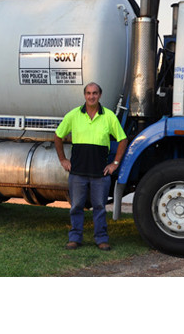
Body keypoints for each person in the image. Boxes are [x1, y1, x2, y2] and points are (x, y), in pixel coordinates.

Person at [54, 82, 127, 251]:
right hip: (77, 172)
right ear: (84, 95)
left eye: (95, 93)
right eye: (88, 93)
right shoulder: (73, 115)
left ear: (100, 95)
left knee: (100, 208)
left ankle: (101, 239)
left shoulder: (108, 116)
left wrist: (115, 163)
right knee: (76, 206)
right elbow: (58, 136)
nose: (91, 96)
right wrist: (63, 159)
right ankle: (75, 238)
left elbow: (123, 139)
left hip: (100, 173)